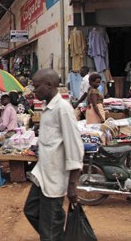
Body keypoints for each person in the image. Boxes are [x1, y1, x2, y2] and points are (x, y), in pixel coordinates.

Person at [23, 69, 84, 240]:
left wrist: (72, 183)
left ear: (49, 85)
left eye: (36, 86)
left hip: (55, 180)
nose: (33, 91)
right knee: (31, 211)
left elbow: (75, 147)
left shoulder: (62, 109)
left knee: (50, 228)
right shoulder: (48, 108)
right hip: (43, 176)